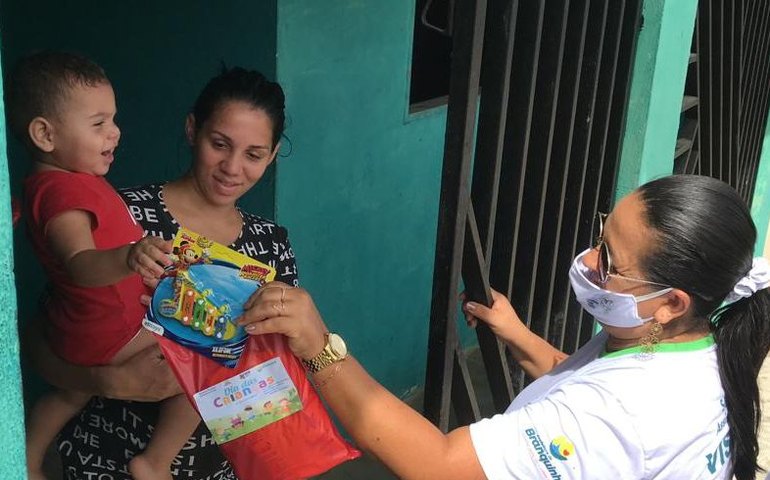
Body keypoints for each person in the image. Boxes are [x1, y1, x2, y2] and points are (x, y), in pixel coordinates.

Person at [239, 174, 770, 479]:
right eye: (599, 235)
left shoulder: (620, 414)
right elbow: (577, 378)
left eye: (609, 260)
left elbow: (439, 465)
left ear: (671, 302)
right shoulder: (693, 345)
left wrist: (318, 347)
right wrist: (516, 333)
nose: (586, 262)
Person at [25, 65, 298, 479]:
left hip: (219, 468)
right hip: (104, 458)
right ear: (192, 130)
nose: (232, 167)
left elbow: (272, 379)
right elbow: (43, 341)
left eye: (254, 154)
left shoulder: (271, 246)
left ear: (272, 156)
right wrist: (107, 381)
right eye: (219, 144)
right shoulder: (125, 216)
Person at [6, 51, 200, 480]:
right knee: (206, 357)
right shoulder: (62, 193)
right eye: (98, 124)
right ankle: (155, 461)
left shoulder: (57, 182)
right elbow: (80, 264)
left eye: (112, 120)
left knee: (68, 393)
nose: (114, 133)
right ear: (45, 134)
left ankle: (25, 462)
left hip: (78, 327)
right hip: (109, 329)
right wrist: (129, 257)